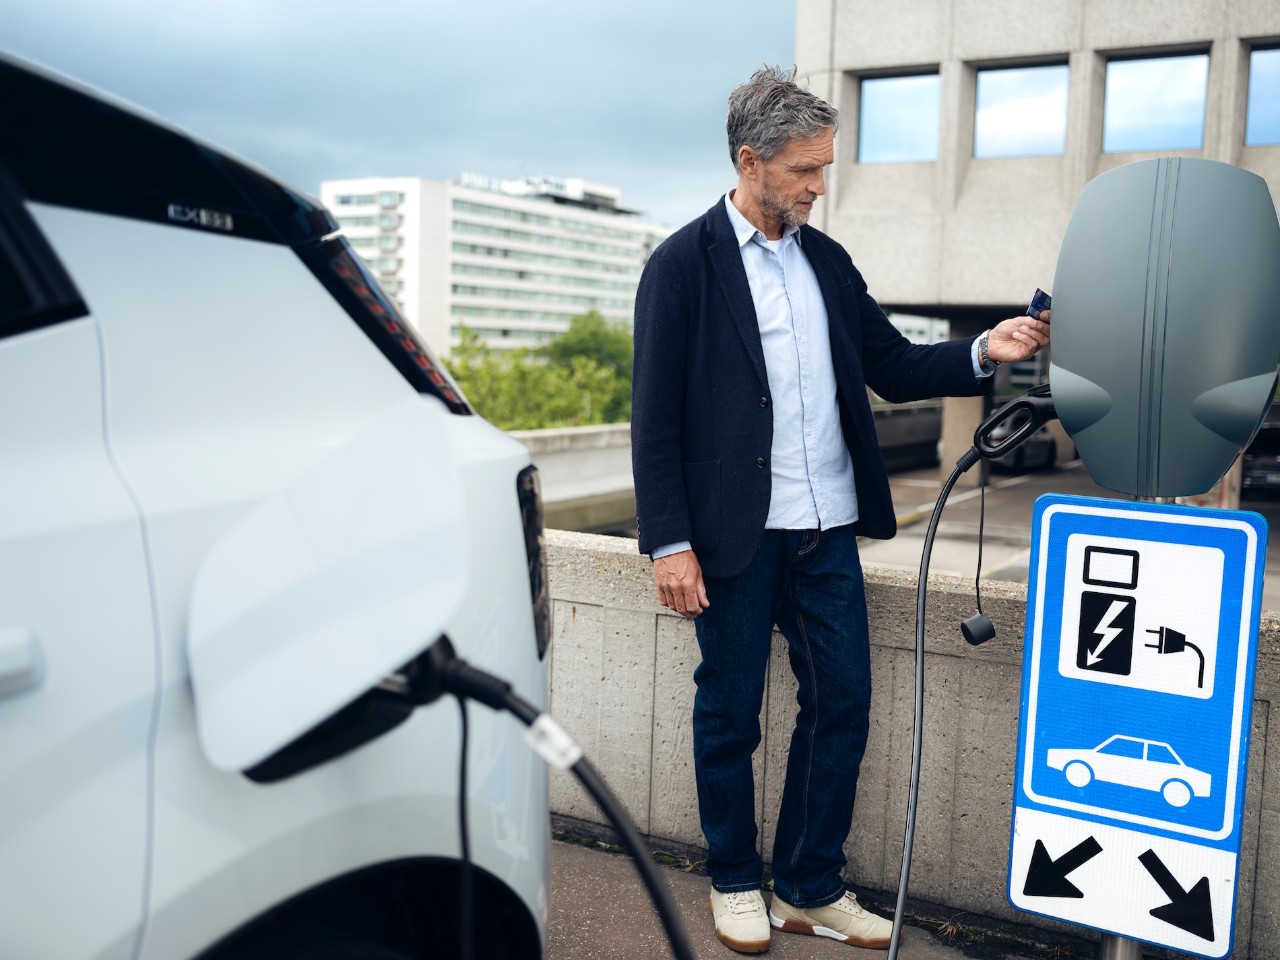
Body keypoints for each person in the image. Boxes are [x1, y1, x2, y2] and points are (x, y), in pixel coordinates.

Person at [630, 65, 1050, 954]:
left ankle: (810, 885)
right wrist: (669, 543)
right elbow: (654, 417)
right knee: (729, 714)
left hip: (824, 535)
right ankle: (736, 879)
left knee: (844, 703)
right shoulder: (680, 266)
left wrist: (987, 347)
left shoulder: (826, 260)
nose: (820, 187)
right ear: (751, 160)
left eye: (825, 168)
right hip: (732, 540)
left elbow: (892, 365)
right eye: (805, 171)